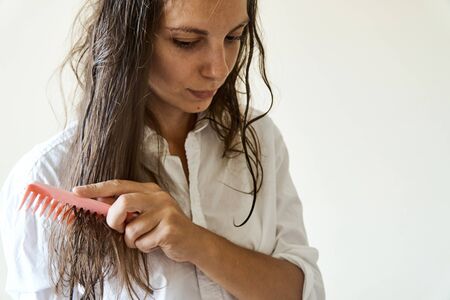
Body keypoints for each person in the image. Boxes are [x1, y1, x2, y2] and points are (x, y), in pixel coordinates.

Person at [0, 0, 325, 299]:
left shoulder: (258, 138)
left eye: (233, 37)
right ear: (131, 37)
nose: (218, 68)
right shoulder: (47, 172)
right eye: (186, 42)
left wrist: (197, 242)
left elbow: (304, 292)